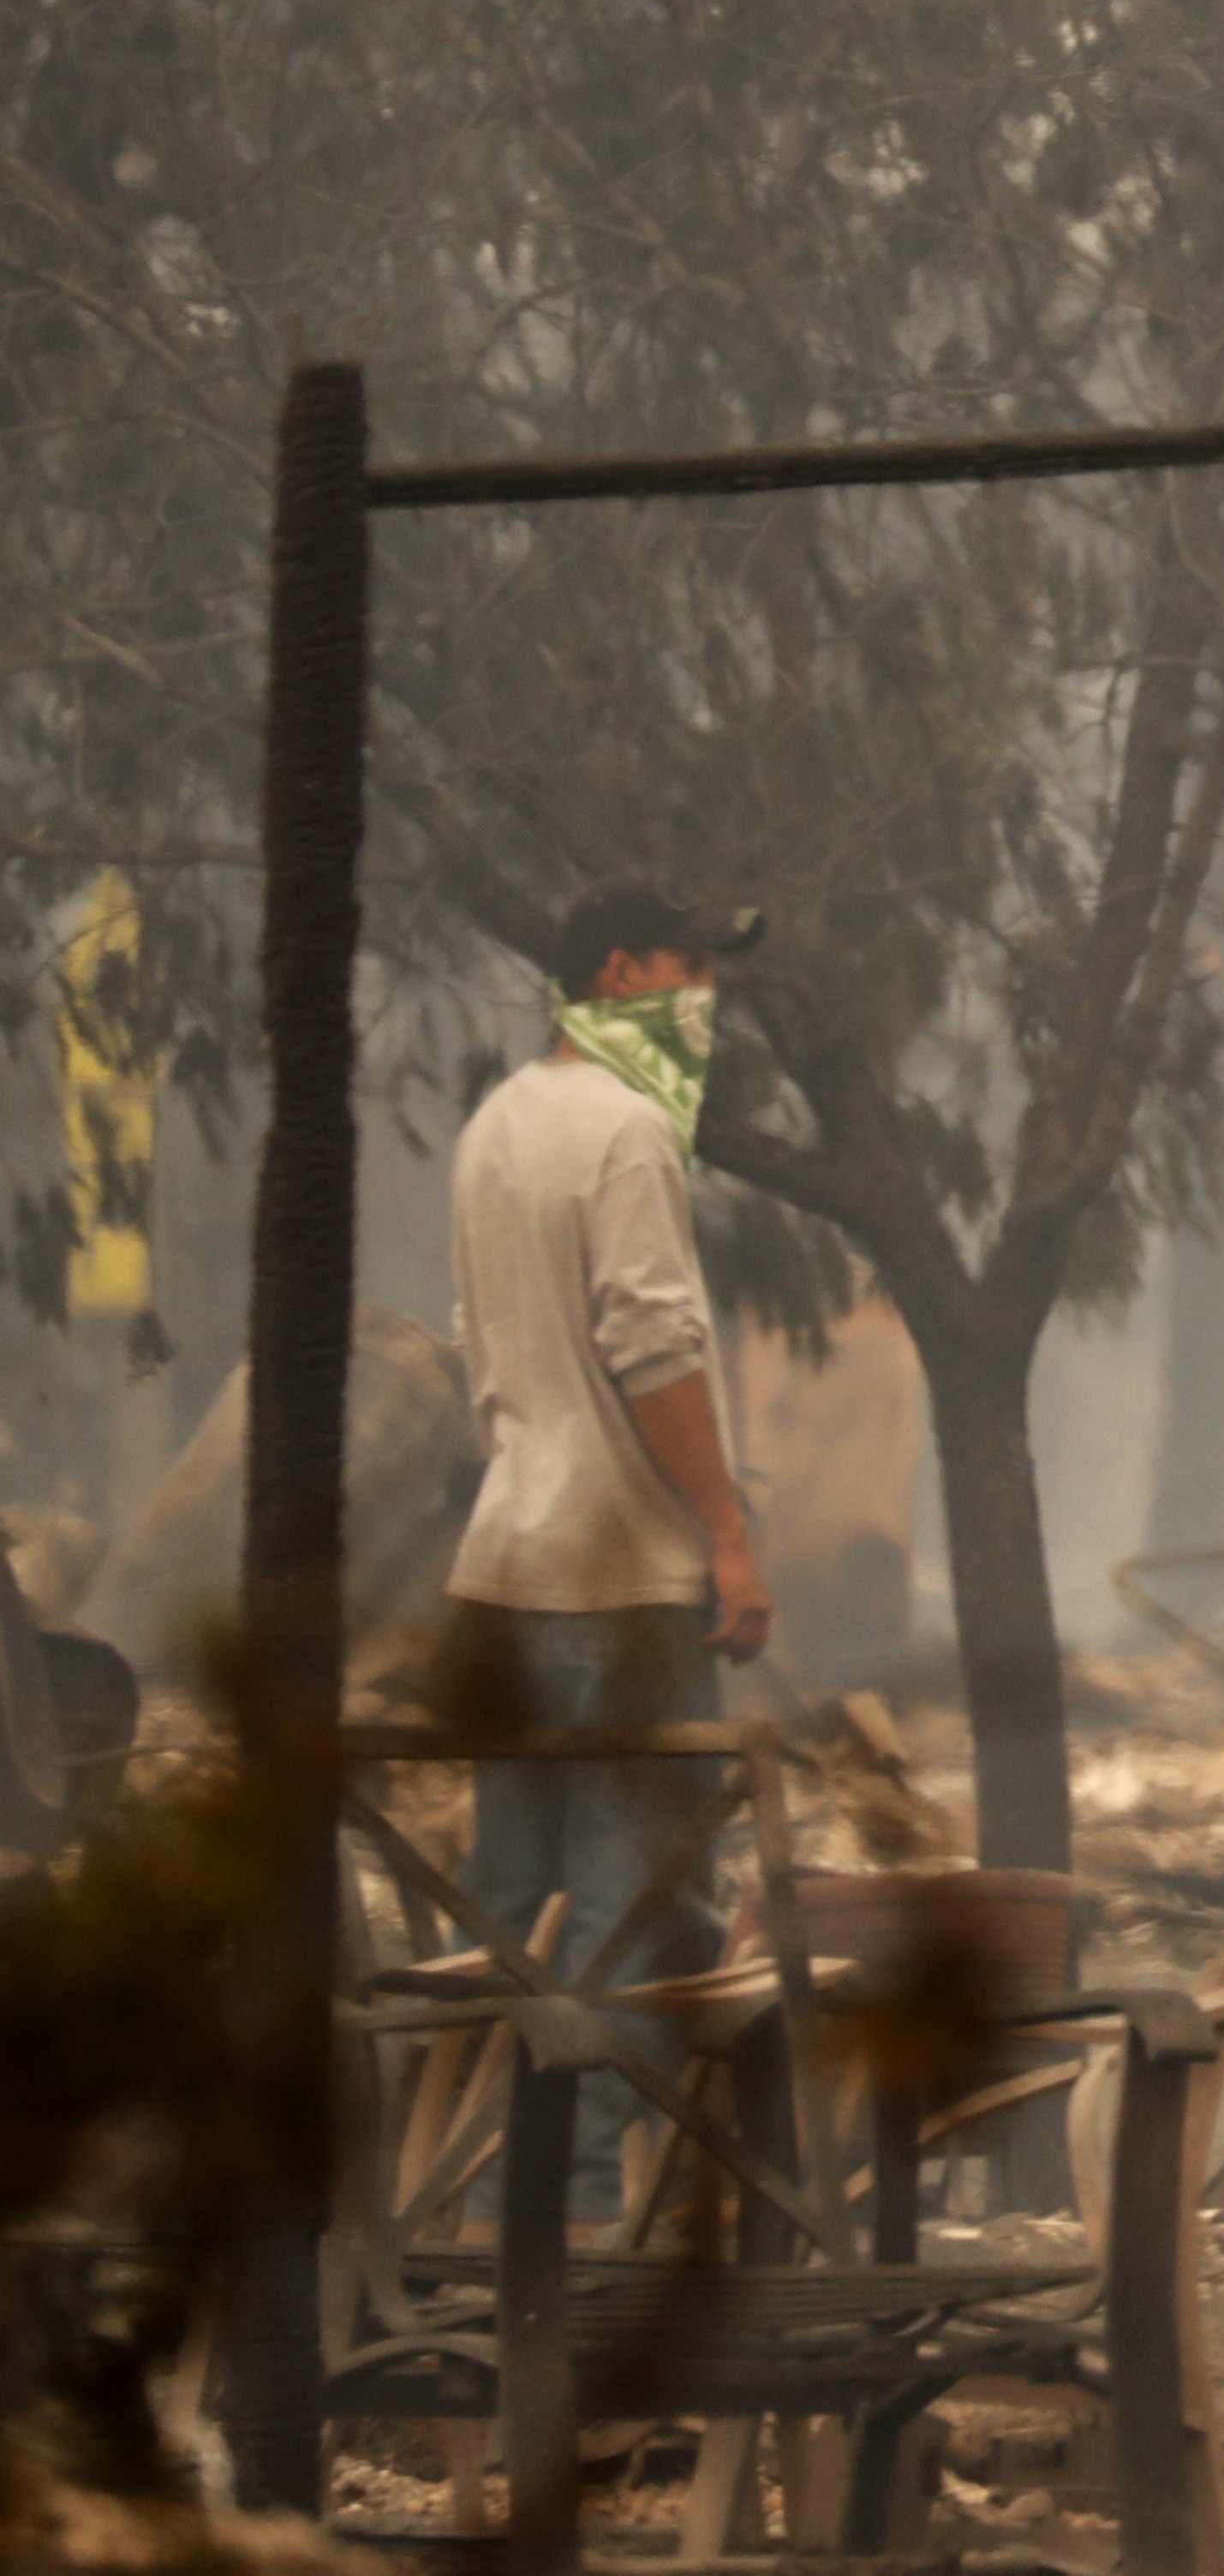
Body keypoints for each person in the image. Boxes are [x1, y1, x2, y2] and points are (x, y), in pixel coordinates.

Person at [436, 879, 769, 2216]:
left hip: (507, 1565)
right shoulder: (629, 1131)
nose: (707, 1008)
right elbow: (652, 1344)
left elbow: (482, 1350)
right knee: (639, 1929)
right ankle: (572, 2246)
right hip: (622, 1576)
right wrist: (730, 1531)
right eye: (692, 975)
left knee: (516, 1912)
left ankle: (477, 2217)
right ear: (619, 974)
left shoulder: (493, 1127)